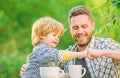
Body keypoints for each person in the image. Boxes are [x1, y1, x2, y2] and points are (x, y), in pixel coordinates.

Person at [20, 6, 120, 78]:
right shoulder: (68, 55)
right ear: (71, 29)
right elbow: (50, 68)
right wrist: (29, 69)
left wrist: (101, 52)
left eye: (84, 26)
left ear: (92, 25)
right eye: (75, 28)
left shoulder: (106, 45)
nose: (80, 32)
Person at [21, 16, 88, 78]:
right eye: (54, 35)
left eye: (58, 36)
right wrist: (81, 54)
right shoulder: (41, 49)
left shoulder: (49, 51)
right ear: (42, 35)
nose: (57, 38)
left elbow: (57, 71)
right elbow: (60, 55)